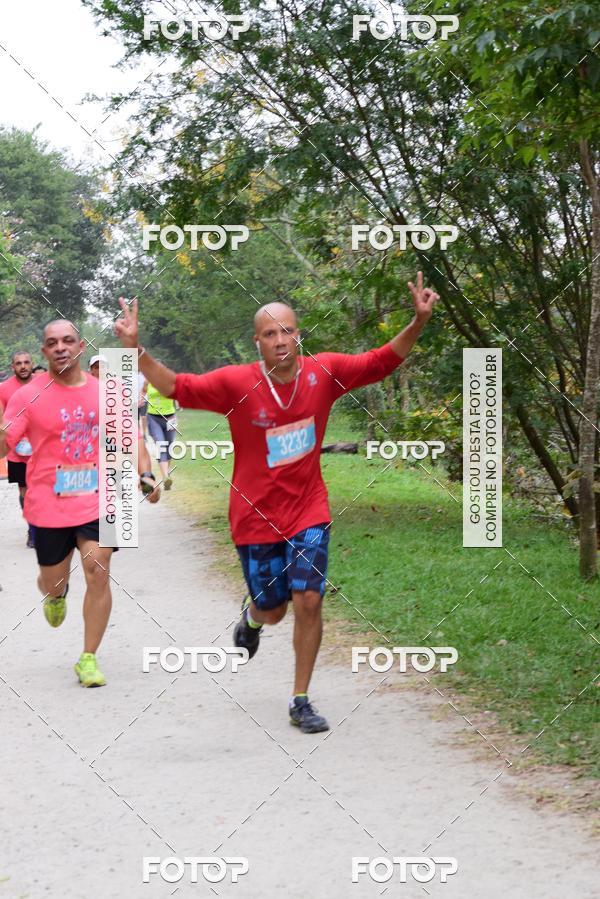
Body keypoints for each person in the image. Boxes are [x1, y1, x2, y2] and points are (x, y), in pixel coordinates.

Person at [114, 273, 439, 732]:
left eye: (287, 330)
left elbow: (381, 362)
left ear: (298, 334)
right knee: (274, 609)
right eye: (270, 333)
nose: (280, 340)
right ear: (257, 342)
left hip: (309, 508)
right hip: (255, 515)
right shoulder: (236, 383)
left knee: (309, 598)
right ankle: (252, 616)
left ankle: (300, 699)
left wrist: (418, 321)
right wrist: (137, 349)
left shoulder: (324, 372)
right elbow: (176, 387)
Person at [0, 322, 118, 687]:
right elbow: (7, 443)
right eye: (52, 343)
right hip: (48, 503)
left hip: (97, 497)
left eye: (68, 341)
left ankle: (88, 658)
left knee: (98, 568)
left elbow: (123, 438)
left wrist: (146, 474)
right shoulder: (27, 396)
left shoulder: (104, 391)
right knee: (54, 582)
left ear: (81, 346)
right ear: (44, 352)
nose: (61, 348)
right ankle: (56, 594)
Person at [88, 355, 160, 504]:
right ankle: (116, 484)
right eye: (96, 367)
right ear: (91, 371)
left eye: (103, 366)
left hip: (121, 428)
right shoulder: (87, 388)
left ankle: (147, 484)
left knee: (127, 456)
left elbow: (127, 403)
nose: (100, 369)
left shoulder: (118, 383)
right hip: (100, 433)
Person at [0, 350, 36, 547]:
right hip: (17, 451)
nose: (23, 366)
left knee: (48, 489)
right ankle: (32, 529)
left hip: (43, 449)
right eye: (18, 363)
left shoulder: (43, 383)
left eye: (26, 362)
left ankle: (51, 528)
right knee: (25, 491)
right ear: (13, 367)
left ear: (32, 364)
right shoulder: (4, 389)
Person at [144, 378, 177, 489]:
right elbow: (143, 392)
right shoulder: (147, 381)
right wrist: (142, 399)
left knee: (169, 447)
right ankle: (165, 476)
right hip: (153, 418)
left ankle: (166, 474)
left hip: (170, 417)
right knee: (160, 444)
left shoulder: (169, 381)